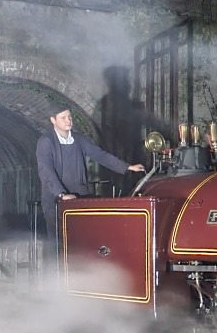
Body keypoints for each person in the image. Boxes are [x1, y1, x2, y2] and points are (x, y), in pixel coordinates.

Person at [36, 103, 145, 241]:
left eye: (69, 117)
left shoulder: (79, 140)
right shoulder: (46, 142)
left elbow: (101, 155)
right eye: (63, 118)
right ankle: (56, 264)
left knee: (81, 242)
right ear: (53, 120)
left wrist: (127, 167)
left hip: (79, 199)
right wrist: (61, 194)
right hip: (56, 202)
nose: (68, 121)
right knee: (58, 244)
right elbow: (46, 170)